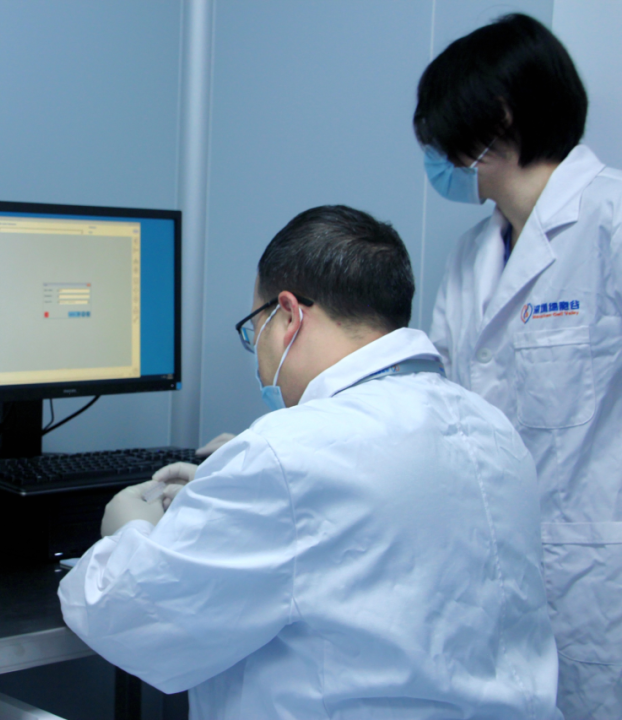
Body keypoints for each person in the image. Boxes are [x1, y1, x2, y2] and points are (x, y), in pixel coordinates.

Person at [59, 205, 561, 719]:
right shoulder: (490, 429)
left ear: (288, 315)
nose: (258, 356)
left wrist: (129, 531)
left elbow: (133, 618)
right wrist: (228, 492)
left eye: (254, 329)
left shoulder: (289, 454)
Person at [415, 14, 622, 718]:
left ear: (498, 119)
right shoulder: (470, 257)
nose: (435, 157)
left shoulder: (610, 218)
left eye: (440, 134)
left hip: (597, 571)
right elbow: (433, 400)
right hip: (492, 565)